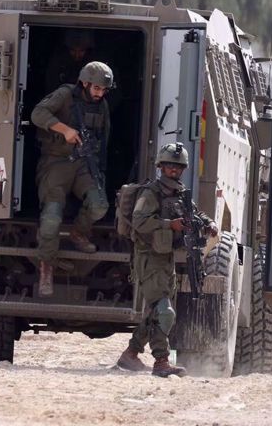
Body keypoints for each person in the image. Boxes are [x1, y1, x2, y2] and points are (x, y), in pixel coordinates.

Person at [116, 143, 218, 377]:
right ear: (161, 166)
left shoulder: (180, 192)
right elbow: (139, 221)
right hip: (149, 258)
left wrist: (208, 223)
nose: (174, 170)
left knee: (156, 311)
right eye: (170, 166)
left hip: (166, 259)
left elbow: (195, 213)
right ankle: (161, 361)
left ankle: (130, 354)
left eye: (178, 166)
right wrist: (168, 224)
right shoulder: (151, 192)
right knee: (165, 312)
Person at [30, 61, 114, 297]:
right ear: (85, 83)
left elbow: (104, 138)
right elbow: (38, 114)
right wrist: (64, 129)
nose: (100, 93)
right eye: (96, 88)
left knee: (99, 205)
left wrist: (101, 169)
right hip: (55, 163)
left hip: (84, 164)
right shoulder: (65, 95)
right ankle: (46, 268)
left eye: (103, 90)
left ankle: (79, 232)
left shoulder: (102, 106)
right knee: (51, 218)